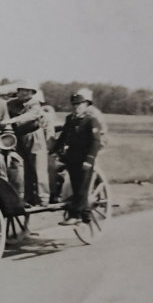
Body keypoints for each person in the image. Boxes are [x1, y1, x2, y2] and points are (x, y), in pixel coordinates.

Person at [52, 88, 103, 225]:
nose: (76, 107)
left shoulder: (91, 120)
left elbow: (95, 142)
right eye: (74, 104)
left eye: (79, 104)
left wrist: (89, 160)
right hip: (71, 156)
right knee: (74, 185)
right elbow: (64, 136)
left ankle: (76, 215)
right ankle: (83, 212)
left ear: (87, 105)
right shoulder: (70, 119)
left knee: (82, 186)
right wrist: (54, 149)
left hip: (84, 158)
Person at [3, 81, 49, 206]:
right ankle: (24, 196)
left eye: (27, 91)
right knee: (20, 167)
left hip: (34, 136)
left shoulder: (34, 104)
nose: (23, 93)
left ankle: (43, 198)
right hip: (17, 137)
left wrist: (12, 120)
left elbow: (31, 115)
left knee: (38, 166)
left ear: (32, 93)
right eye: (21, 90)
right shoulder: (11, 103)